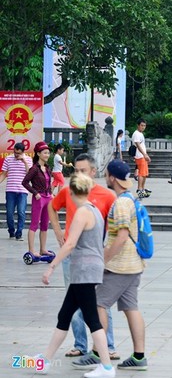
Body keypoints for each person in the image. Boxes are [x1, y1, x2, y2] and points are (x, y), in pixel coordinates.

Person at [39, 173, 115, 378]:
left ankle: (106, 366)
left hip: (84, 270)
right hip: (85, 271)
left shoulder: (82, 212)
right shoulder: (94, 210)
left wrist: (51, 266)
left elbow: (70, 243)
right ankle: (45, 360)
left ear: (71, 192)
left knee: (92, 319)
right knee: (64, 316)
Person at [77, 159, 148, 371]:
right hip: (133, 264)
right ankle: (139, 356)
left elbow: (123, 234)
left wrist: (104, 258)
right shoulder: (129, 198)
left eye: (107, 174)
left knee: (98, 304)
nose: (105, 177)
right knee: (131, 307)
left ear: (113, 178)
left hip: (120, 266)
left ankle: (99, 352)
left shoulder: (121, 203)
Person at [23, 141, 53, 258]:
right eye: (45, 153)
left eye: (48, 153)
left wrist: (51, 194)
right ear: (38, 154)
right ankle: (31, 250)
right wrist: (35, 192)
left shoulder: (47, 168)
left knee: (45, 225)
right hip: (39, 198)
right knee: (34, 224)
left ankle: (43, 249)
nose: (47, 155)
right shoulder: (34, 169)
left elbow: (48, 183)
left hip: (48, 198)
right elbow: (25, 182)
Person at [0, 143, 31, 241]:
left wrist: (24, 162)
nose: (16, 155)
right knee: (9, 213)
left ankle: (19, 233)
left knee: (21, 212)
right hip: (10, 190)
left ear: (23, 152)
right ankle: (11, 231)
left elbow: (29, 174)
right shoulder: (8, 159)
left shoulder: (29, 160)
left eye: (18, 153)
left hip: (22, 191)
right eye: (15, 152)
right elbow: (4, 174)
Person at [132, 119, 151, 199]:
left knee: (144, 173)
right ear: (138, 125)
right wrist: (145, 154)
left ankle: (142, 189)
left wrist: (145, 155)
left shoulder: (140, 134)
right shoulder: (136, 134)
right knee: (141, 173)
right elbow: (138, 145)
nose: (143, 127)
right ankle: (139, 189)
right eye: (142, 125)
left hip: (142, 156)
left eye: (144, 125)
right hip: (140, 156)